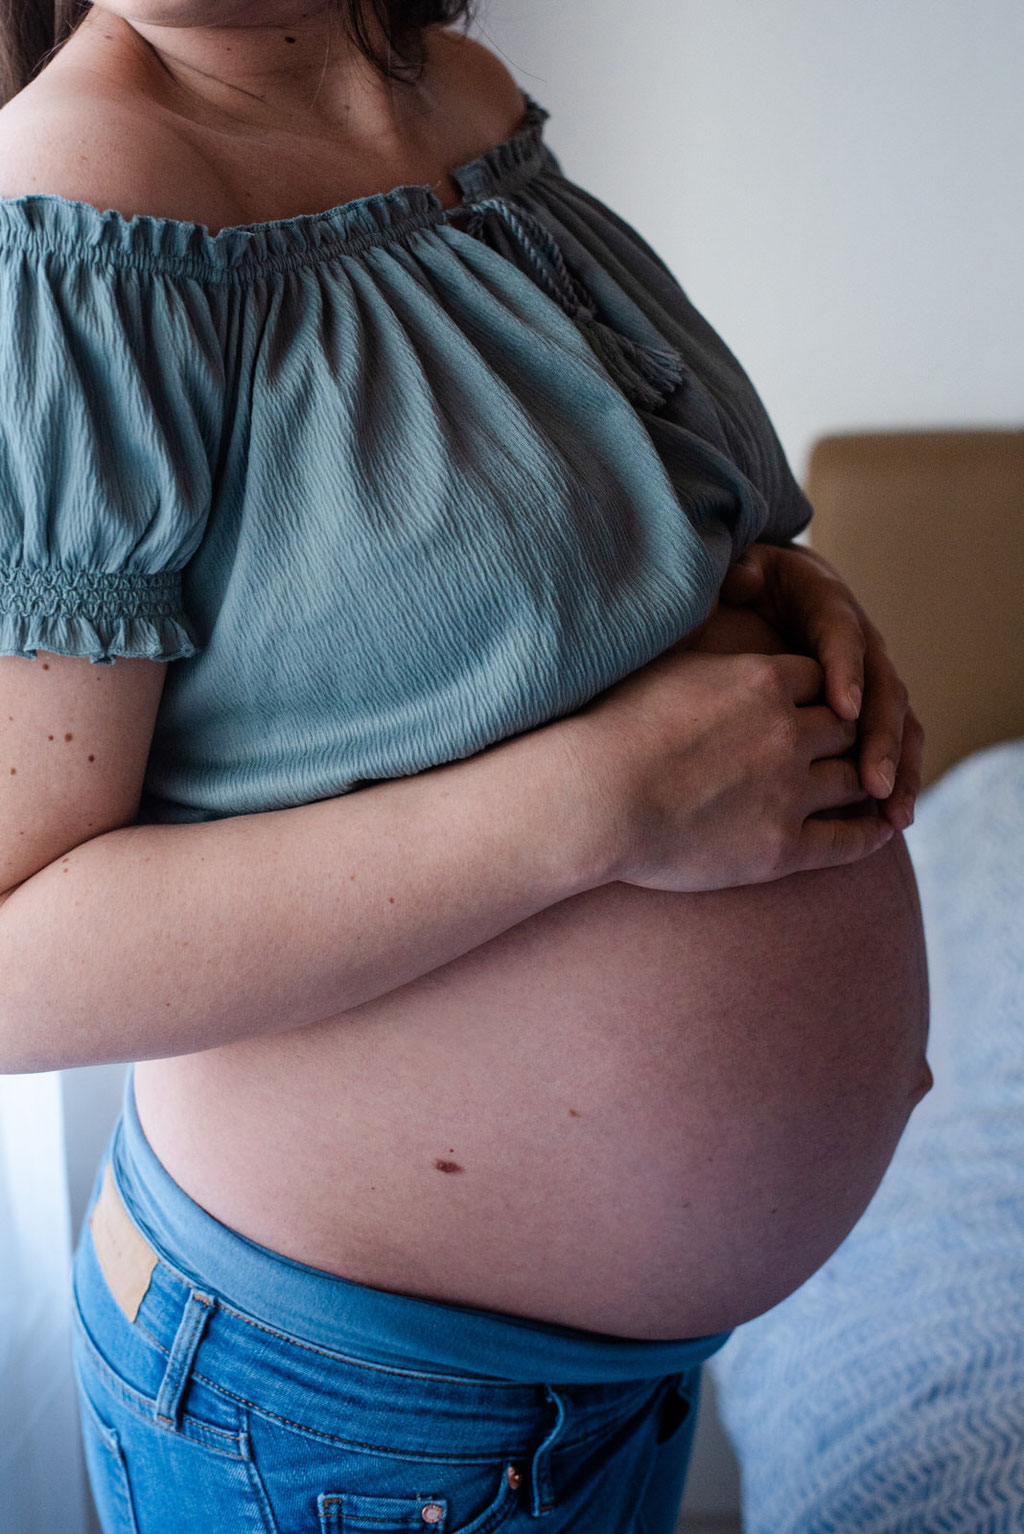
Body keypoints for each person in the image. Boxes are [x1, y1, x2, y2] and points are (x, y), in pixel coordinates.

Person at [0, 2, 929, 1529]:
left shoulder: (457, 100)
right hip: (338, 1421)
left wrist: (763, 586)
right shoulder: (80, 204)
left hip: (593, 1390)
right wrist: (604, 808)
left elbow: (536, 570)